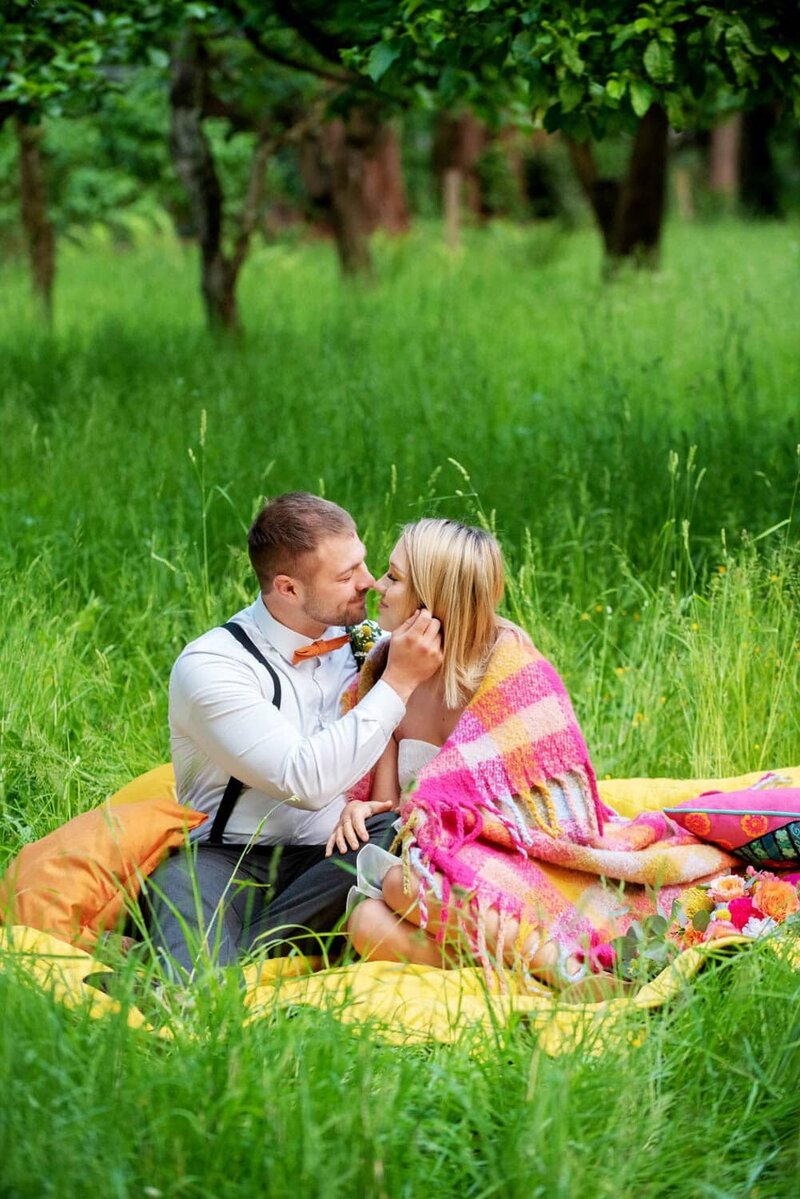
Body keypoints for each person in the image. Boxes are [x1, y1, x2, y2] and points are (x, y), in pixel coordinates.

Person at [325, 518, 735, 992]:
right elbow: (393, 810)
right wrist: (359, 807)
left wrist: (452, 838)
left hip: (521, 853)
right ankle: (539, 976)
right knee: (366, 922)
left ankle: (568, 970)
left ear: (430, 596)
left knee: (402, 885)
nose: (378, 584)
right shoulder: (388, 671)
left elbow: (561, 819)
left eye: (394, 577)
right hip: (439, 860)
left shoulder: (513, 673)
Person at [145, 492, 442, 975]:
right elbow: (302, 780)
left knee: (391, 839)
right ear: (287, 588)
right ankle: (204, 985)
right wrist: (397, 684)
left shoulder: (366, 643)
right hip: (227, 857)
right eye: (346, 577)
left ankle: (233, 955)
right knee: (183, 890)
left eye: (363, 563)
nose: (367, 582)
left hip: (331, 858)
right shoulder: (215, 666)